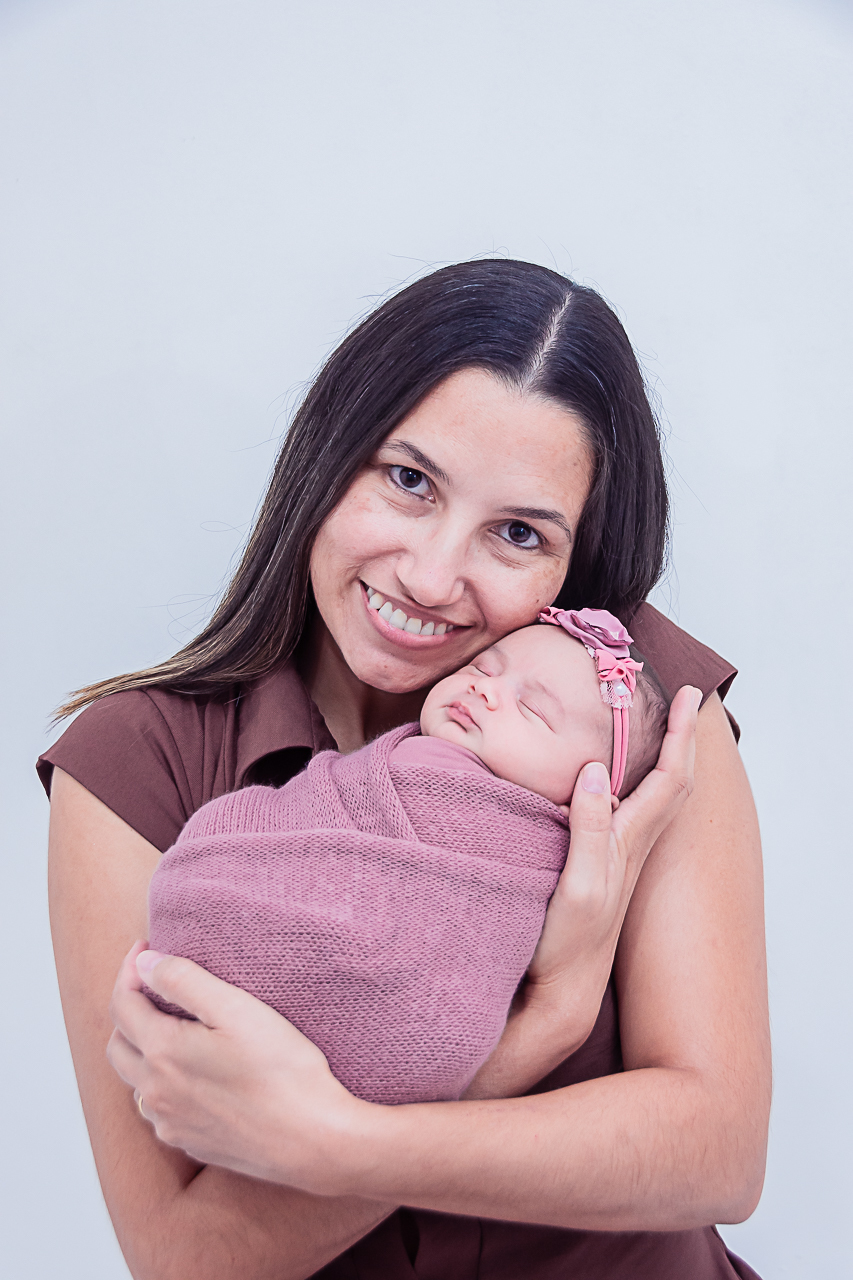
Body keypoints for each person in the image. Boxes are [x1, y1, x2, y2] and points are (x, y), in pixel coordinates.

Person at [41, 260, 769, 1280]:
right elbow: (186, 1260)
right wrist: (538, 1023)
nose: (430, 576)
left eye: (517, 533)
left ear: (572, 564)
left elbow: (717, 1156)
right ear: (327, 454)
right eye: (409, 480)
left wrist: (335, 1143)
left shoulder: (630, 713)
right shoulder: (139, 764)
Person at [144, 610, 669, 1107]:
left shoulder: (536, 846)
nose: (484, 689)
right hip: (252, 905)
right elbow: (316, 804)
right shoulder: (402, 753)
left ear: (594, 788)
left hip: (388, 998)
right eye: (483, 668)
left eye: (532, 709)